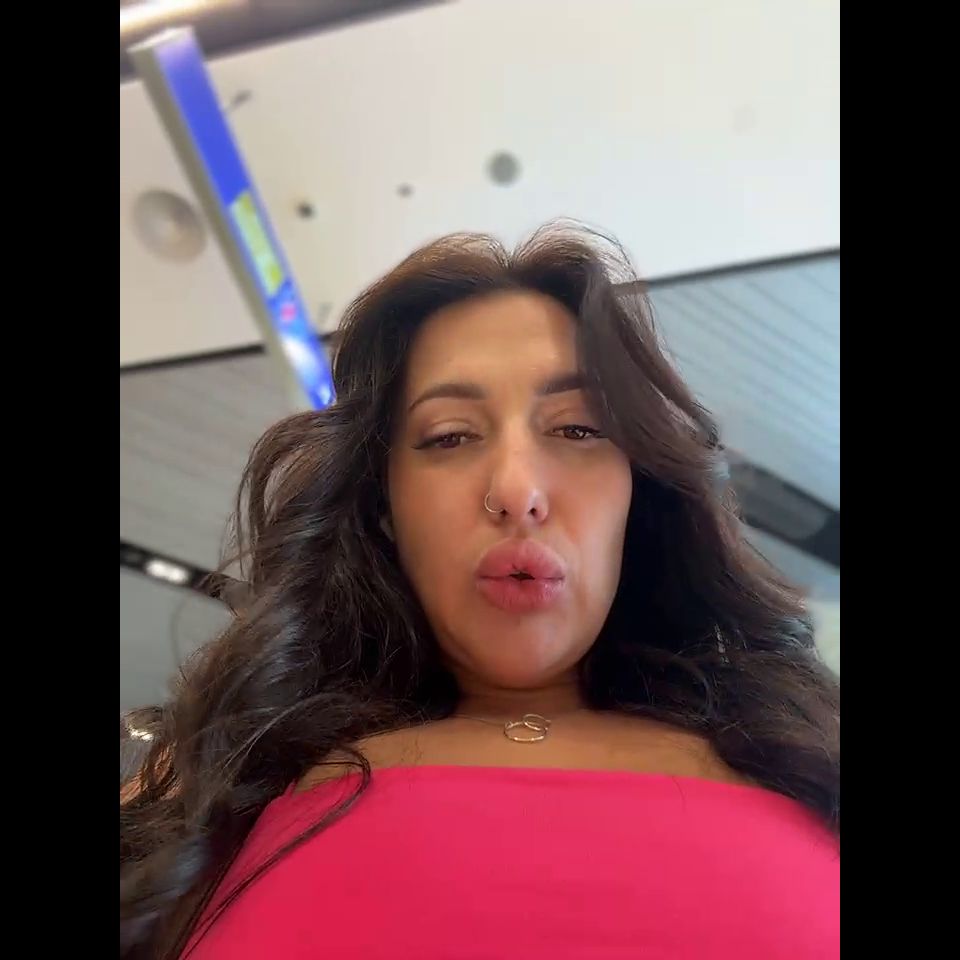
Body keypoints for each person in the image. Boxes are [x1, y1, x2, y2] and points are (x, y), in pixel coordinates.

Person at [120, 224, 840, 959]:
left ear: (641, 489)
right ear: (384, 508)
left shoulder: (806, 749)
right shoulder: (215, 777)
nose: (517, 490)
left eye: (578, 429)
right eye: (450, 436)